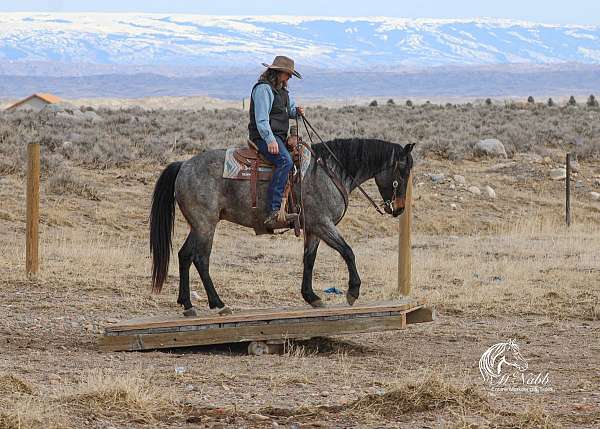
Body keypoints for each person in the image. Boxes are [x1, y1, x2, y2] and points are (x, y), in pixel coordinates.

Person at [248, 55, 305, 228]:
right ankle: (273, 211)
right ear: (278, 73)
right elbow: (262, 119)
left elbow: (289, 110)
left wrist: (297, 112)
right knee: (285, 161)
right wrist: (270, 139)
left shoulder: (283, 92)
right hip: (264, 136)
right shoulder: (264, 89)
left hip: (278, 136)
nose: (289, 78)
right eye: (287, 74)